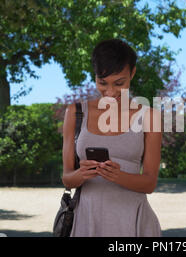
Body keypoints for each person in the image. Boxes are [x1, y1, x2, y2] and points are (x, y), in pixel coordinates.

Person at [61, 39, 162, 237]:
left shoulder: (149, 116)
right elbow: (67, 179)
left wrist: (118, 176)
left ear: (132, 73)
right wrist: (82, 174)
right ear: (95, 76)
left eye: (119, 83)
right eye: (102, 83)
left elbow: (150, 183)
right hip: (86, 221)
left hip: (133, 222)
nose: (110, 92)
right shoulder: (76, 113)